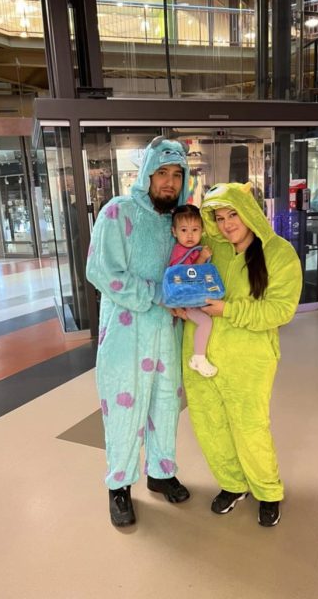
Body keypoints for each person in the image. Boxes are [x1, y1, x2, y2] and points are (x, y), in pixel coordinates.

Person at [181, 182, 302, 527]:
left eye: (233, 214)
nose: (226, 225)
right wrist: (182, 304)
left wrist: (228, 310)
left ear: (249, 212)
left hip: (248, 359)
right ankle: (233, 484)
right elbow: (190, 282)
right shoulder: (212, 248)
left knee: (250, 427)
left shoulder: (279, 253)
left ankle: (268, 491)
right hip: (200, 356)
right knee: (209, 424)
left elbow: (280, 310)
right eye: (219, 218)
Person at [86, 136, 191, 528]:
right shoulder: (118, 212)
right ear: (146, 173)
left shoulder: (179, 221)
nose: (169, 182)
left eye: (177, 174)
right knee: (124, 409)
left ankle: (161, 473)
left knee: (166, 404)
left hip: (167, 330)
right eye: (162, 172)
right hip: (126, 333)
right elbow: (101, 271)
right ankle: (119, 485)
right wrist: (157, 294)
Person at [169, 204, 217, 377]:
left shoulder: (191, 249)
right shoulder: (179, 252)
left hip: (193, 299)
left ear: (202, 230)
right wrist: (202, 257)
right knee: (206, 322)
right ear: (174, 232)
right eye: (184, 230)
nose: (189, 235)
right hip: (186, 302)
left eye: (195, 230)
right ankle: (198, 358)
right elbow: (189, 275)